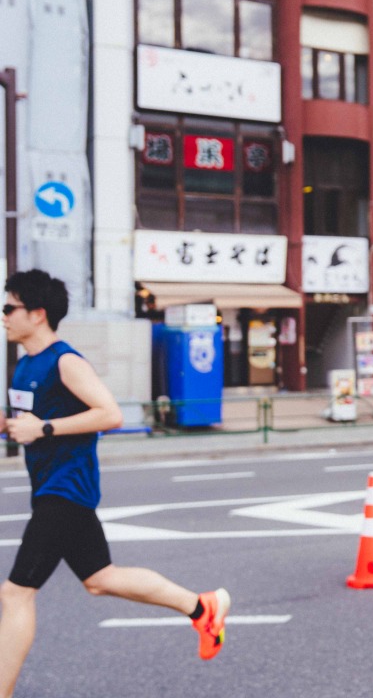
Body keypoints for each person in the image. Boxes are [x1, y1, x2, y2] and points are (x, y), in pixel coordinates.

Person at [0, 270, 231, 697]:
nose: (3, 316)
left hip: (66, 489)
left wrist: (44, 429)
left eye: (9, 307)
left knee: (15, 593)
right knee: (100, 579)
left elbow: (110, 414)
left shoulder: (65, 361)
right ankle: (203, 607)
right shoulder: (25, 365)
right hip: (50, 488)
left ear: (38, 314)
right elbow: (24, 422)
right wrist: (14, 427)